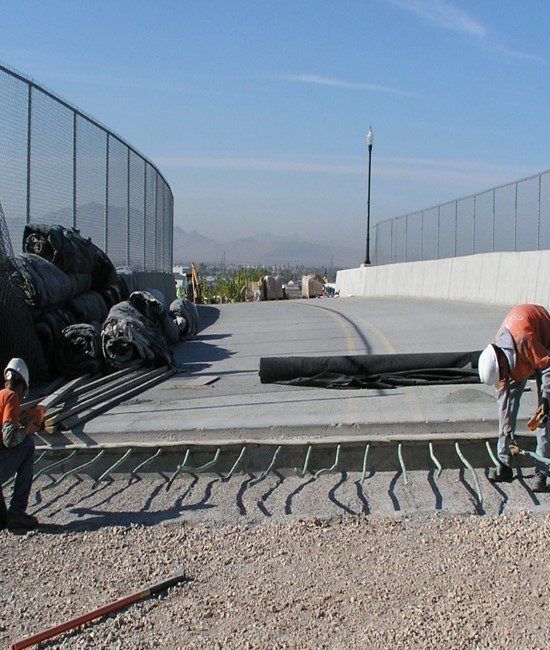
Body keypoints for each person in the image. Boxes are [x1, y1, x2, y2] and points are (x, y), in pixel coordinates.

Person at [478, 304, 550, 492]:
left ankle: (542, 472)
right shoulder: (498, 353)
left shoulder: (525, 339)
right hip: (521, 354)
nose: (504, 379)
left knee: (544, 415)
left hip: (544, 343)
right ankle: (504, 464)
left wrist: (546, 400)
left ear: (503, 363)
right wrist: (505, 449)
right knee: (506, 406)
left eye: (503, 375)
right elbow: (505, 408)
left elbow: (546, 366)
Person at [0, 358, 40, 530]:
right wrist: (27, 430)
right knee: (28, 445)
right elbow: (9, 438)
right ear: (22, 386)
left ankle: (11, 518)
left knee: (2, 522)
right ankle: (17, 513)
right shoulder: (11, 397)